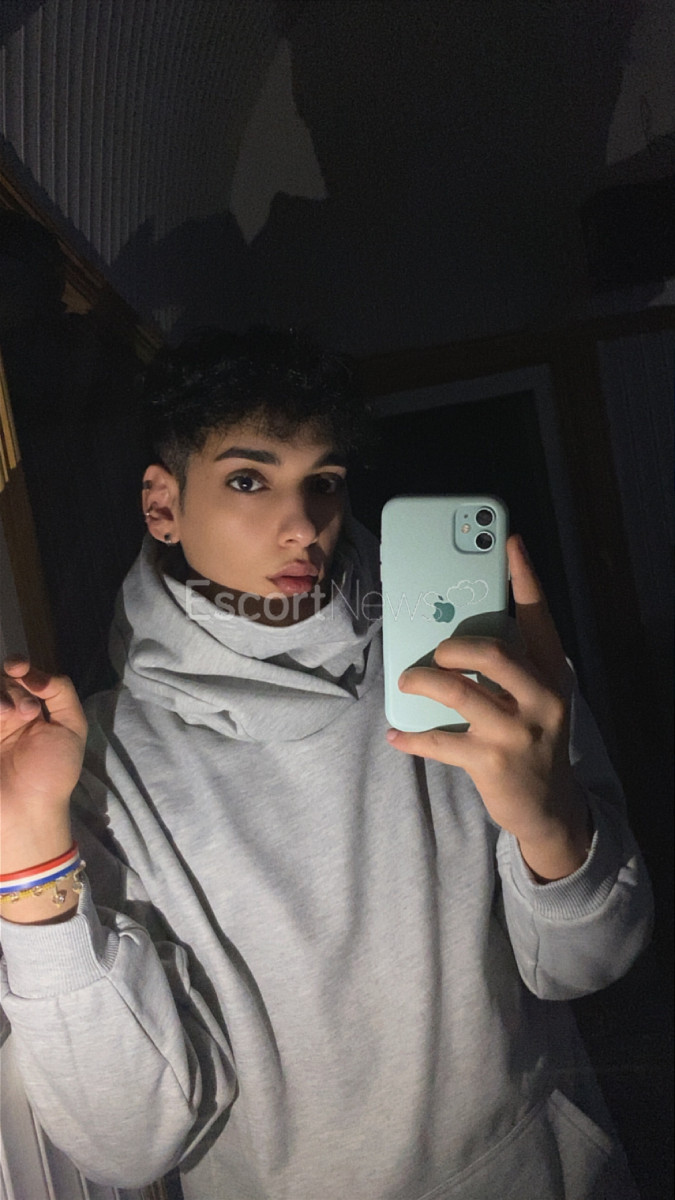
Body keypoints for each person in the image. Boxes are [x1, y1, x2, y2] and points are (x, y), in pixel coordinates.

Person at [0, 328, 653, 1199]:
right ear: (162, 505)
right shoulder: (96, 765)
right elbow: (127, 1147)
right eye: (248, 480)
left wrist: (552, 827)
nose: (303, 524)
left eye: (325, 481)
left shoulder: (474, 670)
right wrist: (25, 850)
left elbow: (591, 964)